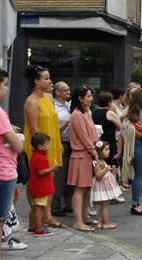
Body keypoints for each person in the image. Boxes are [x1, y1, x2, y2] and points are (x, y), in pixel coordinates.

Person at [0, 67, 35, 260]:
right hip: (2, 169)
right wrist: (16, 137)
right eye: (5, 85)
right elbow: (18, 146)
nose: (7, 89)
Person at [23, 65, 64, 230]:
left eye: (49, 78)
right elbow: (34, 129)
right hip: (38, 146)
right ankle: (37, 215)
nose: (49, 81)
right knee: (36, 180)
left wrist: (58, 143)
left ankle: (47, 215)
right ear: (36, 81)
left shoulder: (48, 98)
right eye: (46, 78)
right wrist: (42, 148)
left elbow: (54, 122)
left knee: (49, 179)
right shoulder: (31, 101)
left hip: (51, 143)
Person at [68, 85, 99, 231]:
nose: (91, 99)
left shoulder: (86, 112)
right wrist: (95, 153)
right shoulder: (77, 115)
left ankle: (85, 216)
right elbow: (84, 138)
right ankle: (78, 221)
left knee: (86, 188)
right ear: (80, 99)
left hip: (87, 155)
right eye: (88, 96)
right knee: (80, 189)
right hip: (81, 156)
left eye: (91, 96)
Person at [27, 132, 58, 236]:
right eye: (47, 144)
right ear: (40, 146)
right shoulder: (41, 157)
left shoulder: (35, 155)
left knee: (35, 207)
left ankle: (32, 226)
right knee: (39, 208)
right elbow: (41, 172)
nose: (49, 145)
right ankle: (39, 229)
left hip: (36, 186)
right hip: (40, 187)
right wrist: (52, 169)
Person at [51, 80, 73, 216]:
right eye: (65, 90)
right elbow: (53, 129)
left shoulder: (69, 105)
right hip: (60, 142)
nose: (68, 92)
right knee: (59, 176)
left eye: (69, 90)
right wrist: (68, 122)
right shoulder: (53, 107)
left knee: (69, 175)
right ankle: (55, 206)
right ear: (58, 92)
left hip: (72, 143)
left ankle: (68, 203)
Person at [91, 142, 119, 230]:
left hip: (104, 186)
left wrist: (111, 171)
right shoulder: (97, 164)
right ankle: (106, 223)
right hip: (102, 188)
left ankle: (100, 223)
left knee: (103, 206)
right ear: (99, 152)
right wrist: (106, 170)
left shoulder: (102, 162)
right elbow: (98, 176)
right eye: (106, 149)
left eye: (108, 149)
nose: (109, 151)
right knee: (105, 206)